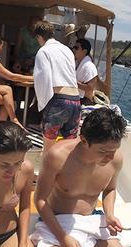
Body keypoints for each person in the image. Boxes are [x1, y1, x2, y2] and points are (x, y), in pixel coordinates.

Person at [31, 108, 131, 247]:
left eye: (113, 150)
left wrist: (110, 214)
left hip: (90, 220)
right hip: (55, 222)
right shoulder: (58, 156)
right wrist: (63, 237)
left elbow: (110, 189)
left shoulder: (116, 158)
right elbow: (40, 200)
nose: (110, 157)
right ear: (84, 141)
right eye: (103, 151)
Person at [33, 20, 81, 152]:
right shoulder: (67, 50)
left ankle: (47, 171)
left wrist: (42, 107)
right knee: (67, 149)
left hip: (59, 101)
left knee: (48, 149)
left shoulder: (44, 51)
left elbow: (43, 79)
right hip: (75, 101)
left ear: (39, 37)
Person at [73, 38, 98, 106]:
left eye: (76, 48)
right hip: (74, 96)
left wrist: (73, 81)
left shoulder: (90, 67)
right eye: (74, 47)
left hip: (83, 100)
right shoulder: (75, 62)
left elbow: (89, 88)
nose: (74, 50)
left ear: (84, 51)